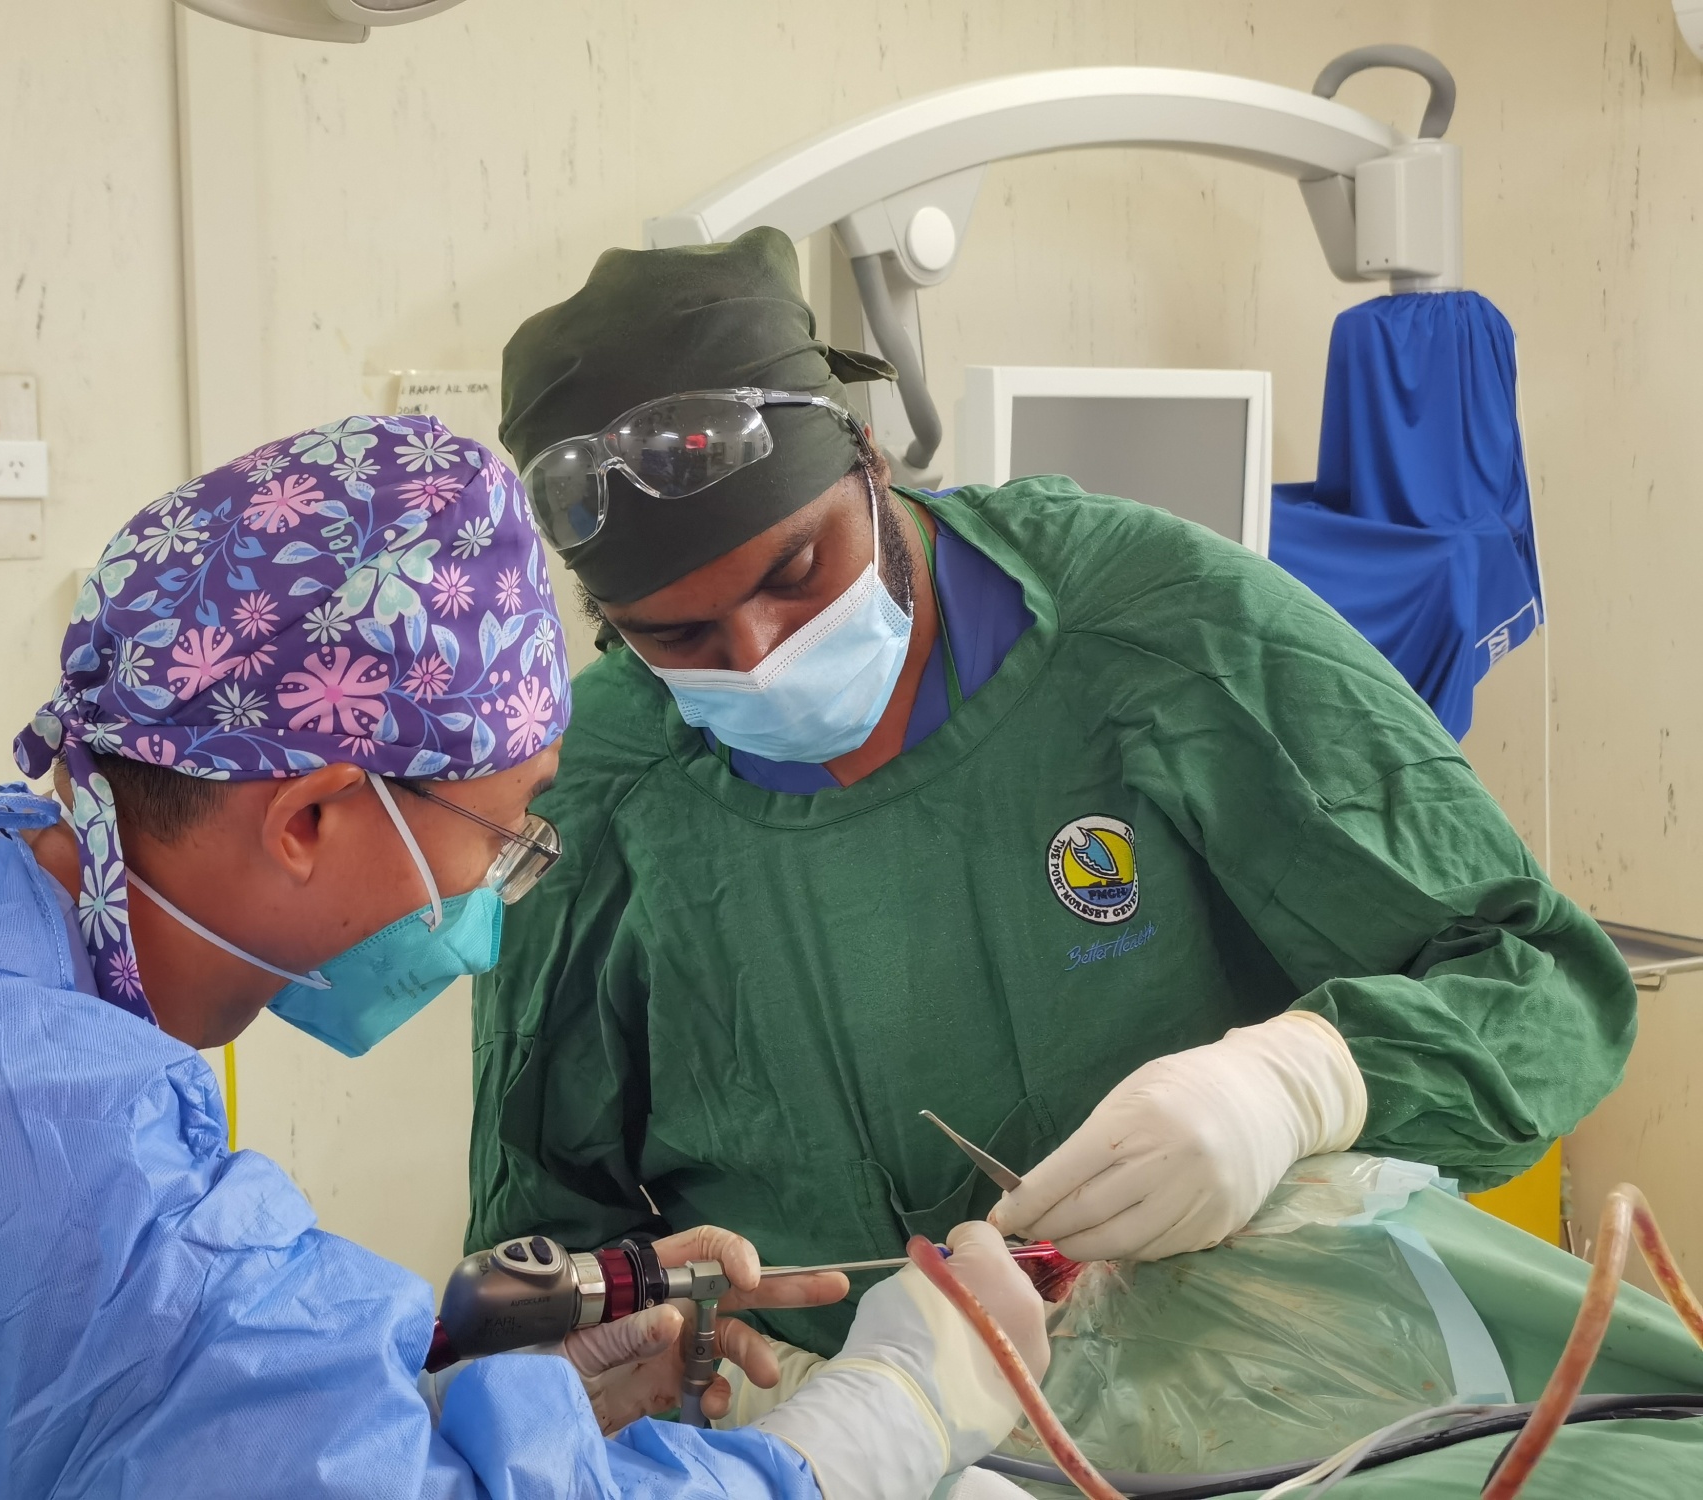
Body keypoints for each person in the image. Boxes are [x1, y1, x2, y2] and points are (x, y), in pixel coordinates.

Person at [0, 415, 1047, 1500]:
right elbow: (165, 1328)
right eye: (504, 831)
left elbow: (125, 1390)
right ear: (308, 819)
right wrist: (880, 1426)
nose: (502, 886)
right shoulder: (97, 1196)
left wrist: (464, 1366)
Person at [468, 228, 1639, 1360]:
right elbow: (542, 1247)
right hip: (839, 1437)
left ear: (866, 459)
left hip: (1263, 1386)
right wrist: (671, 1365)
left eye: (794, 572)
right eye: (677, 637)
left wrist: (1296, 1083)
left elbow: (1542, 987)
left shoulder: (1152, 624)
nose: (762, 650)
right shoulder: (603, 784)